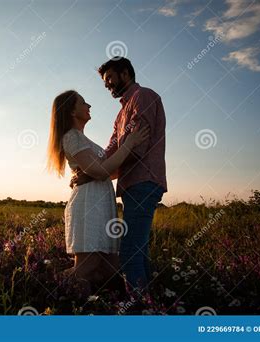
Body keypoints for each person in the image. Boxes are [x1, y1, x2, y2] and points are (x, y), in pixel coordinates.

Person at [71, 57, 167, 292]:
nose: (107, 85)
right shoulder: (120, 114)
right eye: (105, 81)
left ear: (125, 73)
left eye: (110, 78)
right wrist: (90, 169)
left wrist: (94, 175)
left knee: (129, 252)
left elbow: (138, 147)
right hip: (132, 185)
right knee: (139, 251)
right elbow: (111, 151)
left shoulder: (143, 97)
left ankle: (137, 309)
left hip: (144, 182)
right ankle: (150, 304)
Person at [46, 89, 149, 290]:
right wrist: (129, 143)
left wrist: (127, 153)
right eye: (83, 103)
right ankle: (47, 288)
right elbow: (100, 171)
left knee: (109, 268)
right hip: (88, 204)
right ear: (71, 111)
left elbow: (106, 170)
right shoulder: (71, 137)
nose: (89, 106)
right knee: (89, 265)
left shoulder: (83, 139)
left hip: (101, 203)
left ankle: (96, 304)